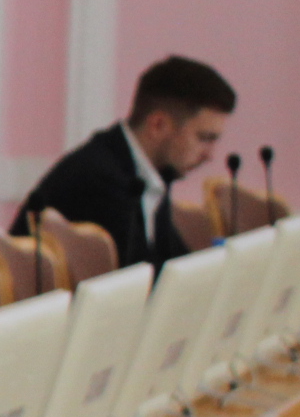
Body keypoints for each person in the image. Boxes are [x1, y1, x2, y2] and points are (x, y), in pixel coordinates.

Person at [13, 55, 234, 269]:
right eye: (204, 138)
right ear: (158, 125)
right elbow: (142, 278)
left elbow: (174, 263)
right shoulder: (101, 179)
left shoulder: (149, 169)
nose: (209, 155)